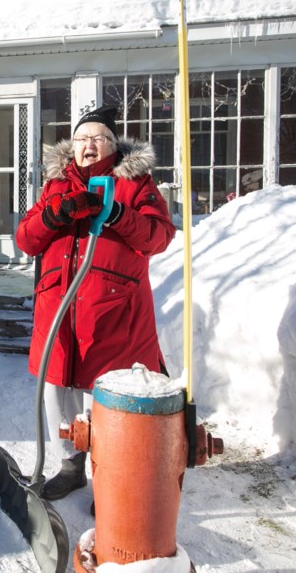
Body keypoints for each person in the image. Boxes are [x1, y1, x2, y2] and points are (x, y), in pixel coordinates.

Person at [14, 105, 175, 504]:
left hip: (112, 312)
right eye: (82, 139)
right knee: (57, 392)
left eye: (98, 138)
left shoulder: (136, 185)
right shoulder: (57, 185)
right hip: (59, 309)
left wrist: (118, 213)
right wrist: (57, 214)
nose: (89, 146)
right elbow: (26, 239)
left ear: (113, 145)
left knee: (100, 400)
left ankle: (109, 478)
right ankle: (71, 468)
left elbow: (158, 237)